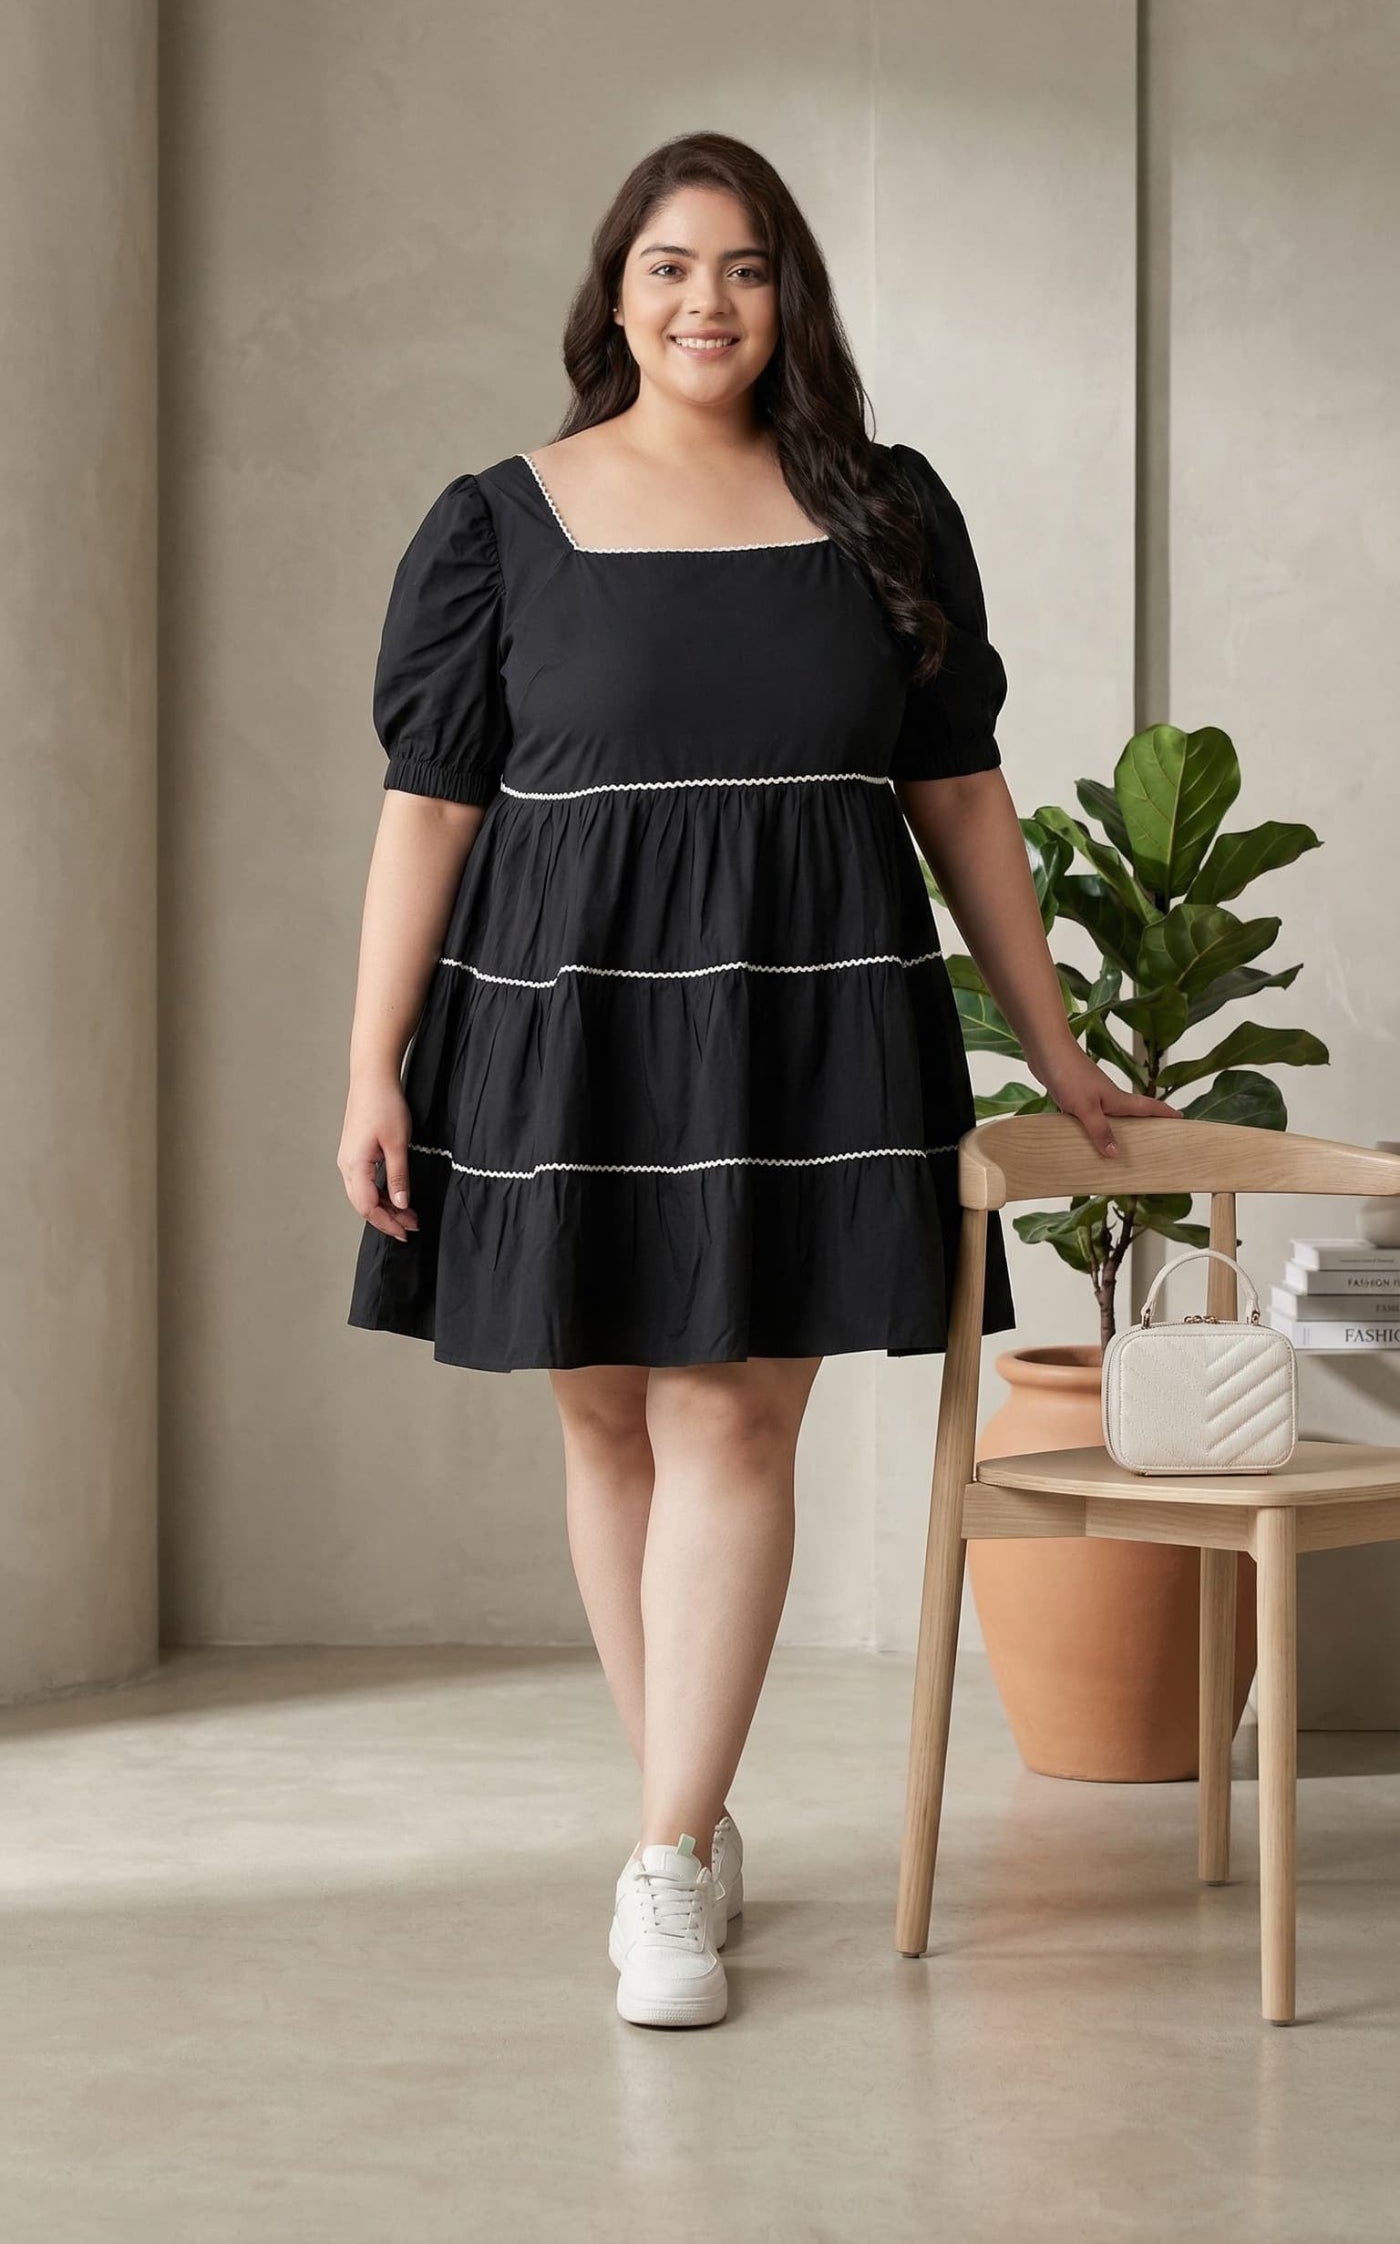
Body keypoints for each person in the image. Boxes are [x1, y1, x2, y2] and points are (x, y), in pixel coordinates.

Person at [337, 130, 1181, 2031]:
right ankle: (688, 1816)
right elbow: (428, 815)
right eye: (666, 266)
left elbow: (959, 791)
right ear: (612, 296)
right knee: (609, 1423)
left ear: (788, 296)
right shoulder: (498, 521)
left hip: (806, 1003)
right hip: (563, 1007)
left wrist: (1049, 1042)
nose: (704, 303)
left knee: (735, 1417)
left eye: (743, 268)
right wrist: (370, 1065)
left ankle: (661, 1873)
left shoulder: (883, 510)